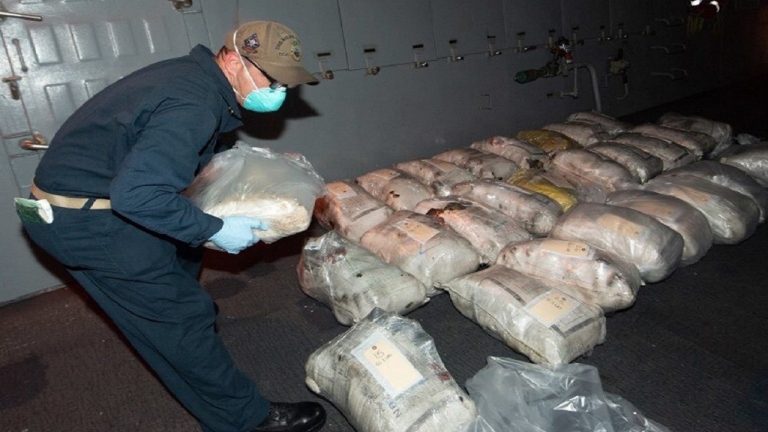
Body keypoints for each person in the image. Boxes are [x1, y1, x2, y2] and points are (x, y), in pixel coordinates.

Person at [20, 21, 326, 432]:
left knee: (183, 256)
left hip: (82, 200)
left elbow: (167, 150)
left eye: (285, 83)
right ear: (233, 60)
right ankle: (245, 419)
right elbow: (138, 196)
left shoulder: (195, 77)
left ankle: (190, 326)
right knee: (178, 318)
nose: (279, 91)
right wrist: (215, 229)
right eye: (272, 79)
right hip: (90, 221)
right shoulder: (193, 104)